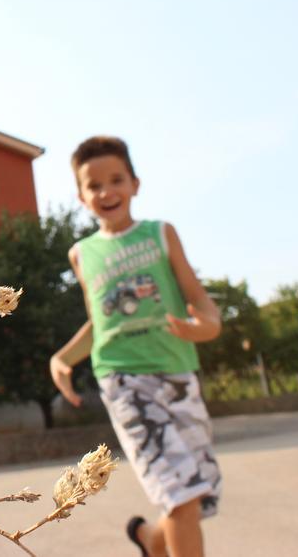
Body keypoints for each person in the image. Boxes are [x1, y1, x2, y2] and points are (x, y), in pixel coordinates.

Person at [50, 136, 222, 557]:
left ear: (135, 184)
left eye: (116, 180)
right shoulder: (82, 253)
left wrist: (204, 326)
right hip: (123, 380)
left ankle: (149, 539)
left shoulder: (161, 235)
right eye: (94, 186)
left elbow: (200, 302)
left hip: (178, 372)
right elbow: (100, 322)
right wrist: (63, 357)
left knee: (195, 495)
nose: (107, 192)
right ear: (81, 196)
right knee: (181, 494)